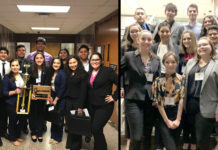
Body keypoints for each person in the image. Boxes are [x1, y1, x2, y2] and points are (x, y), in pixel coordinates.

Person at [121, 30, 160, 150]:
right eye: (143, 39)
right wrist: (121, 87)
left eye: (149, 39)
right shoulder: (129, 56)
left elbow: (158, 80)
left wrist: (157, 97)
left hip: (150, 102)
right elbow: (118, 73)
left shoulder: (156, 59)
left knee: (147, 136)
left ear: (152, 42)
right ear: (138, 40)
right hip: (133, 100)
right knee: (136, 137)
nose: (146, 42)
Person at [183, 37, 218, 150]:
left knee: (202, 139)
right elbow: (185, 81)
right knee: (193, 137)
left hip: (207, 106)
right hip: (189, 105)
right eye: (199, 45)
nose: (201, 47)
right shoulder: (191, 62)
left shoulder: (216, 64)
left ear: (211, 47)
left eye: (205, 45)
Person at [152, 52, 184, 150]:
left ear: (177, 63)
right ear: (163, 63)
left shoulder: (182, 79)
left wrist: (178, 120)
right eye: (167, 62)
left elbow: (182, 99)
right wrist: (167, 121)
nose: (170, 64)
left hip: (177, 114)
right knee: (171, 147)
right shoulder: (158, 80)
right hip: (163, 116)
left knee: (175, 143)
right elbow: (159, 102)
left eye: (173, 62)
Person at [88, 52, 118, 150]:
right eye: (93, 60)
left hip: (104, 106)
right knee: (96, 129)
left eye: (97, 59)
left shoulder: (108, 71)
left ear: (101, 61)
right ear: (90, 61)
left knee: (96, 128)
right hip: (91, 106)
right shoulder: (89, 72)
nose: (95, 62)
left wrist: (114, 96)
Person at [120, 23, 142, 150]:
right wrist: (122, 86)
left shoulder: (145, 46)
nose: (135, 34)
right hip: (129, 85)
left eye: (137, 31)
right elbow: (122, 69)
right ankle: (129, 142)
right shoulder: (125, 47)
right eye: (132, 31)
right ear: (129, 33)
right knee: (129, 115)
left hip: (141, 86)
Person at [64, 55, 88, 150]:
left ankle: (76, 146)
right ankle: (70, 143)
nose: (72, 65)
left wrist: (80, 106)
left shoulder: (83, 74)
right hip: (69, 101)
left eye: (74, 62)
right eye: (70, 63)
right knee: (69, 123)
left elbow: (83, 92)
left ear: (78, 62)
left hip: (78, 102)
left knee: (77, 124)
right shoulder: (68, 73)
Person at [2, 59, 25, 146]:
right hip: (11, 103)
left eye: (17, 65)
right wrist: (14, 92)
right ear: (10, 66)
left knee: (22, 120)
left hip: (22, 102)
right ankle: (12, 138)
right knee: (12, 121)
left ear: (19, 66)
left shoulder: (23, 75)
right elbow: (4, 92)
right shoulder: (7, 77)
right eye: (13, 65)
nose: (15, 67)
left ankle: (16, 135)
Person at [28, 52, 48, 142]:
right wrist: (31, 93)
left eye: (41, 58)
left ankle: (39, 132)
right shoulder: (30, 69)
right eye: (37, 58)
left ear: (44, 59)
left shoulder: (47, 69)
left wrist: (47, 94)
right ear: (34, 60)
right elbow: (28, 83)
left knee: (41, 114)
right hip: (33, 96)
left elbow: (48, 82)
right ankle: (33, 132)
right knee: (32, 114)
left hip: (43, 96)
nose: (39, 60)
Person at [47, 57, 66, 144]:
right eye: (54, 63)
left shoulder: (62, 73)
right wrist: (50, 96)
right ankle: (52, 135)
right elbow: (49, 86)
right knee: (53, 116)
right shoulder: (51, 72)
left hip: (61, 98)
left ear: (61, 64)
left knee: (59, 118)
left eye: (58, 63)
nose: (56, 64)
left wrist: (56, 100)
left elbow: (62, 88)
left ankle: (58, 138)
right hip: (53, 96)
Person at [15, 44, 30, 134]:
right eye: (19, 50)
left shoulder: (29, 62)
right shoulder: (13, 62)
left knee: (25, 109)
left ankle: (24, 126)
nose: (22, 52)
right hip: (16, 91)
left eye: (23, 50)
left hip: (26, 91)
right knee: (16, 110)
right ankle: (16, 128)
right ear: (16, 52)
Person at [0, 47, 10, 144]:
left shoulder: (10, 65)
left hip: (6, 94)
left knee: (4, 115)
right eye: (1, 53)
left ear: (7, 55)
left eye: (5, 53)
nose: (3, 54)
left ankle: (3, 132)